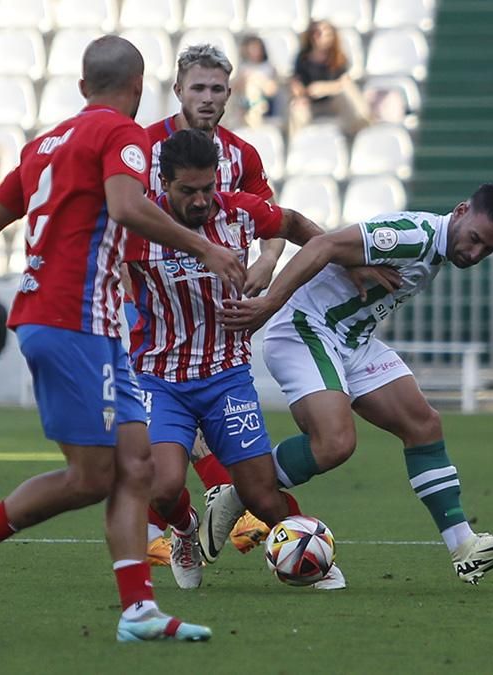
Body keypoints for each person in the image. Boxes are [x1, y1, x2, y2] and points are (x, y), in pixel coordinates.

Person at [0, 35, 243, 643]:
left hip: (86, 326)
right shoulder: (121, 135)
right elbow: (127, 208)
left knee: (136, 468)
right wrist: (206, 245)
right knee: (93, 475)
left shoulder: (42, 147)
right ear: (138, 90)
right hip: (73, 320)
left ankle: (138, 611)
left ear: (82, 88)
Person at [217, 183, 493, 585]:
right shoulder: (412, 237)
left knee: (424, 425)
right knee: (334, 444)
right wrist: (267, 304)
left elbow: (335, 248)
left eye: (488, 250)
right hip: (306, 329)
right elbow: (321, 247)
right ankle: (240, 491)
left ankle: (464, 547)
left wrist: (353, 262)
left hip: (351, 340)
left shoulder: (433, 249)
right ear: (460, 211)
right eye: (475, 239)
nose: (475, 254)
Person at [126, 129, 339, 590]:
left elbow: (297, 225)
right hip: (161, 379)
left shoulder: (240, 212)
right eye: (188, 191)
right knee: (163, 487)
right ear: (163, 184)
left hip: (226, 377)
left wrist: (347, 263)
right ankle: (184, 531)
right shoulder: (140, 228)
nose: (202, 200)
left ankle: (311, 555)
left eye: (207, 188)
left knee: (262, 494)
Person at [141, 43, 286, 562]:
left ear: (229, 93)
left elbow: (274, 221)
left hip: (224, 318)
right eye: (197, 87)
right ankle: (203, 505)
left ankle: (230, 500)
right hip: (155, 310)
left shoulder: (242, 155)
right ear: (178, 89)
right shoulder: (142, 149)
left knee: (209, 417)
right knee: (166, 432)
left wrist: (266, 265)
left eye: (217, 89)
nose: (207, 98)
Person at [287, 20, 369, 138]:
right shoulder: (302, 58)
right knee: (296, 108)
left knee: (348, 91)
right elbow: (296, 81)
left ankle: (361, 129)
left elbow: (344, 82)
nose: (318, 36)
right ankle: (296, 144)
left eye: (323, 33)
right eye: (316, 32)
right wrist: (299, 93)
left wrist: (324, 88)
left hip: (333, 102)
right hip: (311, 104)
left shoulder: (339, 57)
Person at [230, 35, 278, 129]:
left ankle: (252, 115)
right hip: (242, 100)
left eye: (256, 48)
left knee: (252, 86)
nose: (253, 51)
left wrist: (256, 79)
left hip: (264, 103)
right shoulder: (242, 67)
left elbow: (271, 91)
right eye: (251, 48)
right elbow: (235, 88)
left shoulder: (269, 67)